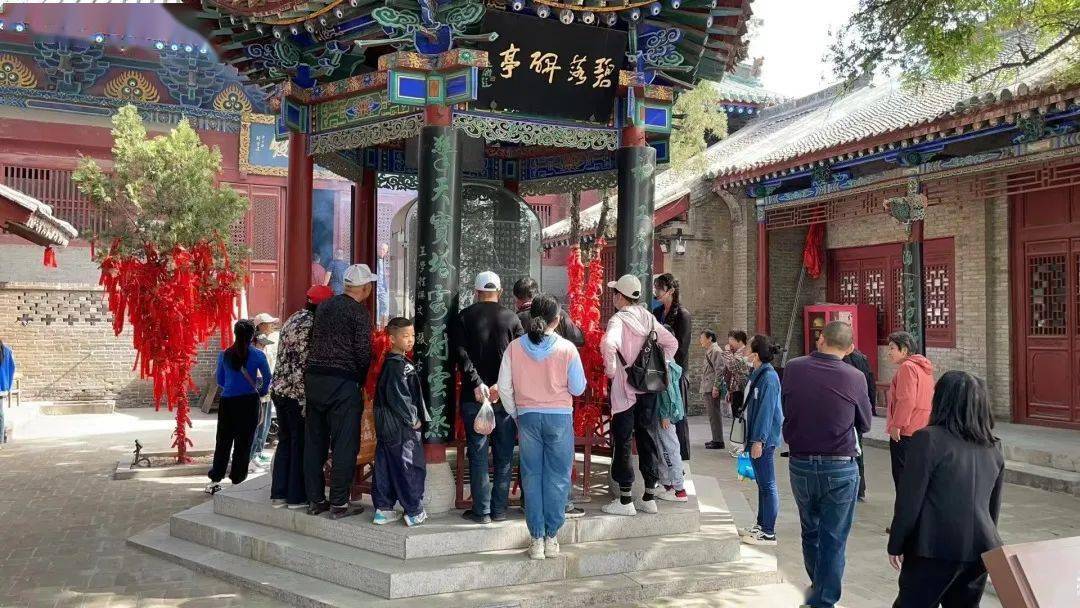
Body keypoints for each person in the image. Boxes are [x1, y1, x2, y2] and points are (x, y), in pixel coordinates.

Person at [888, 371, 1004, 608]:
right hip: (980, 547)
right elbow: (993, 507)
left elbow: (909, 501)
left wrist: (896, 543)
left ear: (941, 400)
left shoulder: (927, 439)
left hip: (933, 547)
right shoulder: (993, 446)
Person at [781, 321, 872, 608]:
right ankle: (823, 600)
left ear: (820, 339)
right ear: (850, 348)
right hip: (840, 465)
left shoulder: (793, 368)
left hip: (801, 462)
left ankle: (818, 590)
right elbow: (865, 423)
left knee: (810, 531)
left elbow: (787, 406)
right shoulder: (855, 376)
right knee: (833, 538)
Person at [497, 294, 586, 559]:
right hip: (559, 417)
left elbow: (504, 387)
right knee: (558, 476)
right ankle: (551, 537)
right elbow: (578, 388)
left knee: (531, 476)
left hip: (527, 417)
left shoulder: (514, 348)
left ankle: (536, 539)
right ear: (557, 320)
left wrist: (515, 412)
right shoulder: (567, 349)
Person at [600, 274, 677, 516]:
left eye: (615, 293)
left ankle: (625, 500)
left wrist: (612, 370)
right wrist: (658, 365)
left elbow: (608, 344)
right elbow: (672, 343)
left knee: (623, 441)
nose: (613, 297)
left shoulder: (618, 320)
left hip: (625, 391)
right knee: (648, 438)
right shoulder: (649, 317)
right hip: (648, 388)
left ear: (620, 297)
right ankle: (649, 496)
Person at [452, 271, 524, 524]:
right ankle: (499, 510)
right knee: (504, 455)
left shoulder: (464, 317)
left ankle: (481, 511)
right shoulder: (512, 318)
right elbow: (519, 357)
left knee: (479, 454)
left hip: (474, 397)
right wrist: (498, 386)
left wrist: (477, 383)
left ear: (476, 292)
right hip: (503, 398)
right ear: (500, 292)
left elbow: (460, 354)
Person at [304, 263, 376, 519]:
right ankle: (338, 503)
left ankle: (315, 500)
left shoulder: (325, 306)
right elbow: (363, 353)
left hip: (314, 379)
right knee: (345, 443)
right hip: (342, 382)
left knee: (315, 441)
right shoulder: (359, 313)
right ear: (365, 288)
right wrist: (361, 379)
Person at [513, 276, 586, 519]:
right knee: (559, 462)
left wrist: (514, 410)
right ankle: (562, 506)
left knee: (531, 465)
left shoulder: (517, 320)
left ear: (516, 298)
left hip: (526, 409)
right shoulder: (560, 321)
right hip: (558, 409)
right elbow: (579, 338)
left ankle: (530, 507)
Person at [269, 285, 333, 510]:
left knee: (285, 441)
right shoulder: (313, 325)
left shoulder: (293, 318)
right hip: (298, 394)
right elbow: (304, 365)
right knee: (300, 444)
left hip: (280, 390)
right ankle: (296, 497)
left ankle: (279, 494)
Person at [372, 317, 429, 527]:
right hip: (400, 426)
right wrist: (413, 419)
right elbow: (400, 398)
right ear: (392, 338)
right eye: (405, 336)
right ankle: (414, 511)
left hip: (386, 425)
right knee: (409, 465)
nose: (410, 340)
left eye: (412, 335)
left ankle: (383, 508)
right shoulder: (398, 365)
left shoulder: (391, 363)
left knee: (385, 465)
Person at [207, 320, 272, 495]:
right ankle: (237, 479)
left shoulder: (224, 355)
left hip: (228, 402)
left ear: (235, 334)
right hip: (249, 402)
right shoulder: (258, 355)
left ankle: (216, 477)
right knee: (244, 442)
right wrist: (261, 391)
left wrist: (232, 386)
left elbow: (220, 380)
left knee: (223, 440)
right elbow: (268, 378)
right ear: (252, 336)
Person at [740, 335, 783, 546]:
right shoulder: (758, 373)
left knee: (768, 484)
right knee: (762, 484)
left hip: (763, 438)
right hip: (756, 436)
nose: (745, 350)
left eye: (748, 348)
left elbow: (767, 411)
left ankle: (768, 532)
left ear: (755, 355)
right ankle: (760, 524)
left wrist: (759, 440)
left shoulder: (769, 377)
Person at [885, 331, 934, 492]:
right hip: (922, 428)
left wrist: (897, 425)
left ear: (904, 350)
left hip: (906, 430)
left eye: (892, 348)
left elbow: (907, 399)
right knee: (917, 477)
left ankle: (904, 507)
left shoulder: (907, 367)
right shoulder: (923, 368)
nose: (889, 352)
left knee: (902, 477)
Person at [653, 273, 692, 463]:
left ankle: (682, 458)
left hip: (675, 371)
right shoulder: (657, 312)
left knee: (678, 414)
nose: (656, 292)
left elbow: (682, 348)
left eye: (659, 288)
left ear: (671, 291)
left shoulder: (683, 315)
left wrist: (668, 364)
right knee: (661, 415)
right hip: (658, 369)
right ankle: (665, 457)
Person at [842, 347, 875, 502]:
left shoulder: (842, 360)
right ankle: (859, 489)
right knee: (858, 450)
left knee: (846, 452)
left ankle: (851, 487)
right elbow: (870, 384)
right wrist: (869, 409)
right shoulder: (862, 358)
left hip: (846, 413)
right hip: (859, 412)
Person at [249, 312, 280, 470]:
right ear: (260, 326)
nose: (272, 325)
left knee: (266, 421)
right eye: (269, 323)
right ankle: (252, 454)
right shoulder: (257, 341)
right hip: (259, 382)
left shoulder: (265, 341)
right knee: (259, 421)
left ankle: (258, 451)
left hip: (265, 382)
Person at [655, 358, 687, 503]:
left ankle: (679, 490)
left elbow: (667, 391)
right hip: (666, 413)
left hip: (664, 415)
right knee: (664, 448)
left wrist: (665, 415)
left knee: (669, 449)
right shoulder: (671, 362)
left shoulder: (663, 362)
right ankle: (667, 485)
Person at [699, 330, 728, 450]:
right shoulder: (710, 351)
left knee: (714, 414)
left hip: (712, 387)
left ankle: (718, 441)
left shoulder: (716, 351)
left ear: (710, 338)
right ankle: (716, 438)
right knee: (712, 415)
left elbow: (720, 370)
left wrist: (716, 387)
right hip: (708, 386)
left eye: (702, 338)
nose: (700, 340)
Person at [0, 338, 14, 445]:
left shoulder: (7, 351)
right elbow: (12, 369)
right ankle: (1, 438)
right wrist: (8, 386)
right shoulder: (7, 351)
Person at [375, 243, 391, 328]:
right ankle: (377, 327)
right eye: (381, 248)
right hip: (375, 287)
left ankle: (384, 328)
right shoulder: (374, 259)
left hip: (384, 288)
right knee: (376, 307)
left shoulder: (387, 261)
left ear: (386, 252)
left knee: (385, 307)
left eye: (384, 250)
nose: (382, 251)